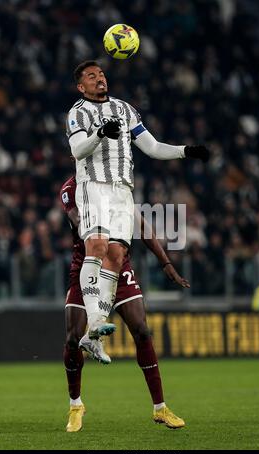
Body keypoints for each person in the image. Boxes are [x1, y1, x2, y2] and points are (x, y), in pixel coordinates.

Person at [66, 60, 209, 345]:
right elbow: (78, 149)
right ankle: (94, 319)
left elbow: (152, 147)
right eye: (92, 76)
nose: (99, 78)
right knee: (96, 245)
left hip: (123, 190)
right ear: (81, 86)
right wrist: (100, 133)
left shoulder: (125, 109)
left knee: (116, 255)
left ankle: (97, 326)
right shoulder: (77, 113)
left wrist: (186, 151)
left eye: (101, 74)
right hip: (94, 185)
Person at [60, 176, 190, 432]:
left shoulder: (115, 182)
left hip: (120, 269)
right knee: (73, 337)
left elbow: (140, 225)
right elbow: (78, 220)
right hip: (86, 268)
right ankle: (76, 405)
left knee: (142, 330)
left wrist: (165, 263)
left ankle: (160, 408)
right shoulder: (71, 188)